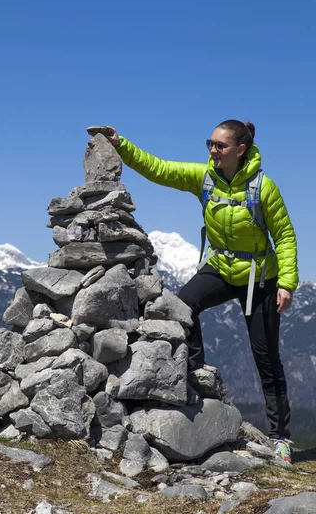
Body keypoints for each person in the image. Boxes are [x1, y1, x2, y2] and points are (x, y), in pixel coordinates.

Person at [101, 120, 298, 463]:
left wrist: (286, 284)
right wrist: (121, 145)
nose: (212, 150)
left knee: (266, 358)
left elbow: (284, 237)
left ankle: (280, 437)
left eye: (220, 146)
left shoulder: (264, 188)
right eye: (210, 143)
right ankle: (199, 376)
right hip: (221, 267)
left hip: (259, 277)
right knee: (182, 306)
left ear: (240, 150)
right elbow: (159, 169)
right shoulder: (203, 177)